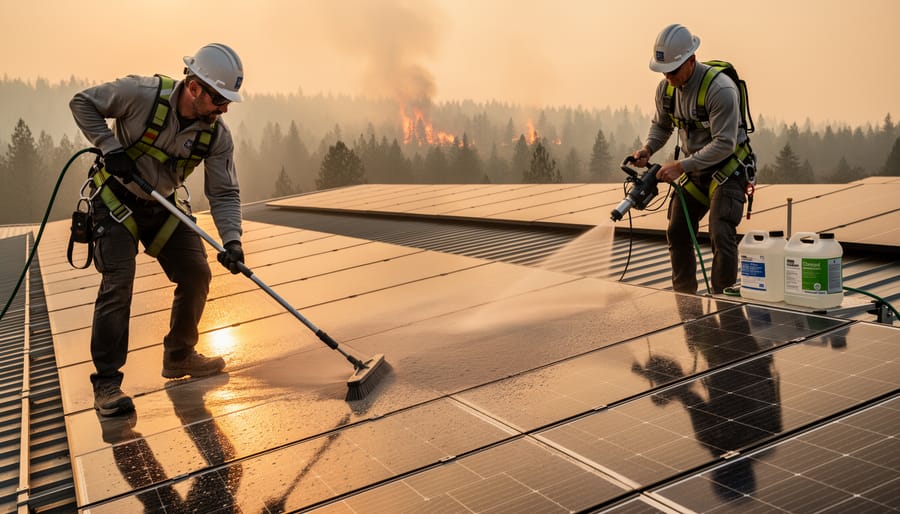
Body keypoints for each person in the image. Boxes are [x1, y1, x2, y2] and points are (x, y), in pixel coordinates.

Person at [70, 43, 247, 417]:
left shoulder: (216, 136)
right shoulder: (140, 94)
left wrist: (233, 240)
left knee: (196, 272)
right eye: (220, 99)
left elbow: (224, 192)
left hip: (163, 205)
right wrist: (108, 145)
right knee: (119, 282)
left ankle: (179, 356)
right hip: (115, 201)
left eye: (229, 101)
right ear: (195, 87)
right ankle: (106, 384)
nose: (224, 108)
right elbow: (82, 102)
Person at [632, 24, 754, 294]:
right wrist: (647, 150)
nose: (668, 77)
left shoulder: (720, 90)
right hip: (696, 171)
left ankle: (723, 302)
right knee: (677, 229)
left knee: (720, 231)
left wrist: (681, 166)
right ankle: (685, 302)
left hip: (728, 169)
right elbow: (661, 126)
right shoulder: (665, 91)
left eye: (673, 71)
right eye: (664, 71)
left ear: (691, 60)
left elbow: (724, 143)